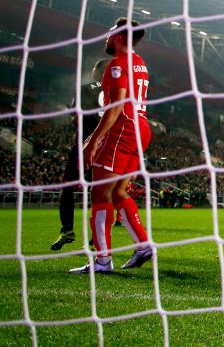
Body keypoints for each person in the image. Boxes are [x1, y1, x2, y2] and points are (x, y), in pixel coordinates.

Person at [70, 17, 154, 274]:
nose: (106, 38)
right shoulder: (140, 64)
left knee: (100, 195)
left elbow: (117, 106)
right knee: (118, 193)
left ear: (118, 37)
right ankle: (143, 246)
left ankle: (103, 260)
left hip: (123, 130)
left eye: (109, 34)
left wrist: (93, 140)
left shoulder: (117, 65)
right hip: (141, 128)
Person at [51, 59, 106, 251]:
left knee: (67, 187)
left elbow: (76, 120)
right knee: (99, 193)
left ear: (97, 71)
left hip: (84, 145)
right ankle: (96, 240)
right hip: (105, 148)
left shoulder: (85, 89)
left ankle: (67, 230)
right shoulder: (118, 92)